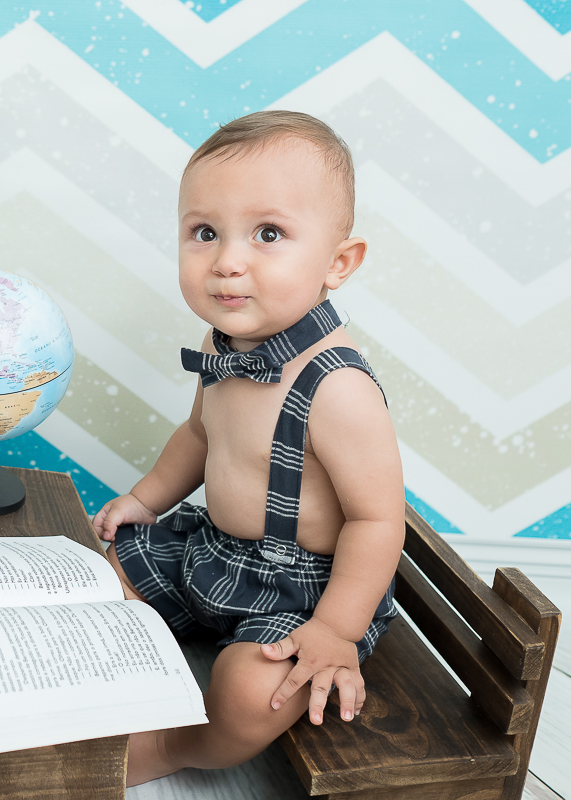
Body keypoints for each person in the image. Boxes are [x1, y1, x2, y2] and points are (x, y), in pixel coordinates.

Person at [92, 110, 404, 786]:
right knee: (106, 574)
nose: (227, 262)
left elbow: (378, 521)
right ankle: (112, 686)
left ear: (338, 263)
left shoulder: (338, 388)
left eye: (268, 234)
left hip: (304, 590)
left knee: (255, 691)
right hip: (215, 550)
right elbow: (200, 435)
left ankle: (174, 746)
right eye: (205, 232)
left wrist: (335, 630)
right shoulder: (223, 343)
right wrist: (146, 500)